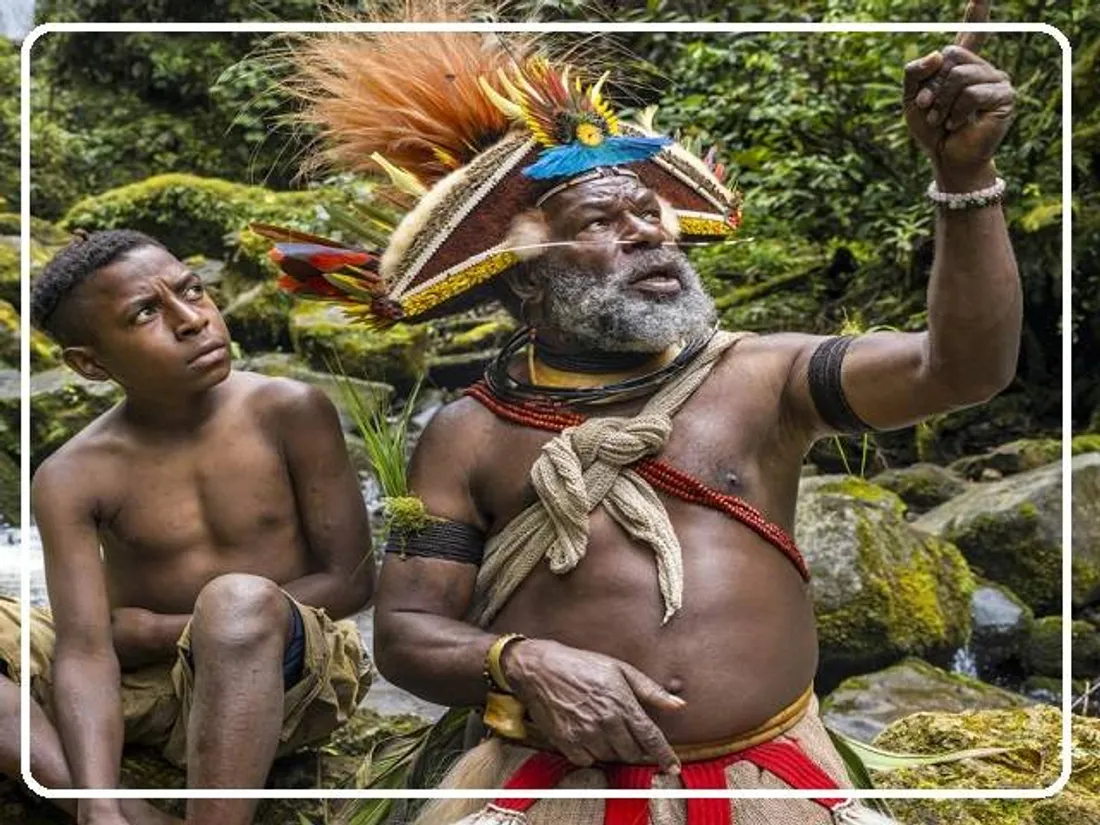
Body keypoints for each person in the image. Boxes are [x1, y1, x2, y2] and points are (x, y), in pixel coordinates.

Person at [271, 2, 1019, 822]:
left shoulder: (766, 377)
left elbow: (959, 370)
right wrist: (523, 661)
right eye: (601, 219)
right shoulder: (469, 431)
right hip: (550, 789)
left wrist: (964, 179)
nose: (647, 233)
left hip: (772, 784)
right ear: (525, 279)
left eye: (649, 213)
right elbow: (407, 632)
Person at [0, 229, 376, 825]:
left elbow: (351, 582)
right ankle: (110, 811)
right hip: (143, 690)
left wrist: (165, 628)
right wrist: (96, 802)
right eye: (146, 312)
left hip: (282, 677)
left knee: (235, 601)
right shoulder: (72, 473)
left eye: (192, 291)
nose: (192, 320)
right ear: (90, 364)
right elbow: (86, 649)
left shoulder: (290, 410)